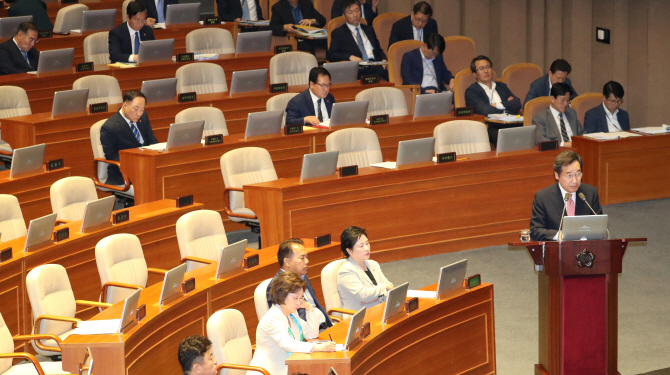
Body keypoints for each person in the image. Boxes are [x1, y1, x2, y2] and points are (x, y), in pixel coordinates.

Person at [250, 272, 336, 375]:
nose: (299, 302)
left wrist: (309, 308)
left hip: (290, 367)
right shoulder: (273, 318)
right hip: (270, 371)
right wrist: (319, 347)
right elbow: (287, 344)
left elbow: (311, 334)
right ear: (282, 295)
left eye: (301, 298)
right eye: (296, 298)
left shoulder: (292, 314)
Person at [530, 150, 602, 241]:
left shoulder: (590, 193)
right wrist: (559, 235)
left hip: (585, 249)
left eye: (578, 174)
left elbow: (599, 226)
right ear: (557, 175)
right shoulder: (543, 197)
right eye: (569, 176)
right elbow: (536, 231)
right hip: (557, 250)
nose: (575, 181)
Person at [265, 239, 333, 330]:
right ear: (287, 261)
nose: (307, 261)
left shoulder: (302, 276)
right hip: (308, 335)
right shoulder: (277, 285)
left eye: (307, 257)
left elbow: (315, 305)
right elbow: (285, 322)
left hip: (325, 326)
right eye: (302, 258)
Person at [100, 91, 158, 186]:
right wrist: (138, 163)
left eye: (142, 109)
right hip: (124, 173)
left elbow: (152, 140)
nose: (139, 113)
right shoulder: (110, 127)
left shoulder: (143, 116)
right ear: (125, 105)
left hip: (147, 165)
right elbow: (112, 156)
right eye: (136, 109)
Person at [327, 0, 388, 80]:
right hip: (358, 71)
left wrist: (383, 60)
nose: (355, 15)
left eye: (357, 11)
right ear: (344, 16)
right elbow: (331, 55)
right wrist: (350, 57)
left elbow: (378, 50)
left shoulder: (369, 30)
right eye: (350, 12)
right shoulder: (339, 33)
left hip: (377, 69)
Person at [337, 226, 393, 311]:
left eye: (367, 243)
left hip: (379, 310)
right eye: (361, 246)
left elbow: (391, 287)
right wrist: (384, 288)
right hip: (361, 317)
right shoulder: (346, 270)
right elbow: (364, 295)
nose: (366, 248)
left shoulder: (373, 264)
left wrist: (376, 297)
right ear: (349, 250)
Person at [532, 82, 585, 147]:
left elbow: (581, 133)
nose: (566, 104)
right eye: (562, 100)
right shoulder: (540, 117)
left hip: (575, 150)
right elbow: (539, 139)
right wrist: (562, 144)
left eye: (568, 100)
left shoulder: (571, 113)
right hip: (556, 151)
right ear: (552, 99)